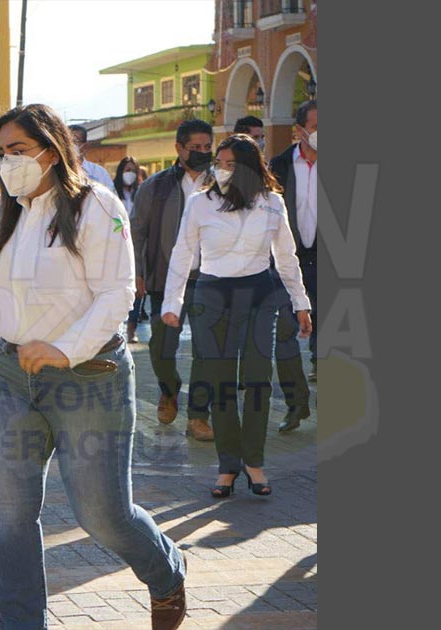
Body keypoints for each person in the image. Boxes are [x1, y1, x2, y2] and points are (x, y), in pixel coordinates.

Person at [0, 103, 187, 629]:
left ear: (52, 149)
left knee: (103, 516)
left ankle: (166, 573)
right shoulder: (6, 208)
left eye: (18, 151)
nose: (8, 163)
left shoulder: (96, 206)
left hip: (90, 380)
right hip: (11, 377)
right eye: (1, 154)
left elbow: (117, 293)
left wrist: (65, 348)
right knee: (12, 518)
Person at [162, 134, 312, 498]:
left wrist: (301, 301)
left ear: (248, 168)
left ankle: (254, 463)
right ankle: (228, 465)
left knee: (258, 381)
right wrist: (172, 303)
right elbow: (184, 253)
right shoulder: (200, 203)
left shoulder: (272, 203)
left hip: (260, 295)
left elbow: (287, 256)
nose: (221, 170)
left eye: (230, 164)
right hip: (212, 296)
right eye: (219, 162)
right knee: (220, 384)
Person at [130, 119, 216, 441]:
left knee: (207, 350)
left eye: (208, 148)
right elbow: (136, 232)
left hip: (209, 279)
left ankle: (198, 415)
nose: (202, 153)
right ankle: (169, 389)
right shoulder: (155, 187)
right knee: (161, 347)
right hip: (165, 280)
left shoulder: (221, 184)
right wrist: (138, 272)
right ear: (179, 149)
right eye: (195, 148)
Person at [270, 100, 318, 431]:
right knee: (285, 337)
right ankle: (296, 404)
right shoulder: (280, 165)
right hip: (290, 266)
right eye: (315, 127)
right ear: (299, 129)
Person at [114, 157, 146, 343]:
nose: (130, 173)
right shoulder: (113, 193)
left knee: (138, 289)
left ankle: (131, 329)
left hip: (137, 246)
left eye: (133, 170)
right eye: (127, 169)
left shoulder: (141, 193)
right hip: (118, 246)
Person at [68, 124, 115, 190]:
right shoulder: (59, 171)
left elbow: (111, 197)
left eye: (75, 141)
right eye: (68, 141)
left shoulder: (100, 173)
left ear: (86, 146)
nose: (71, 145)